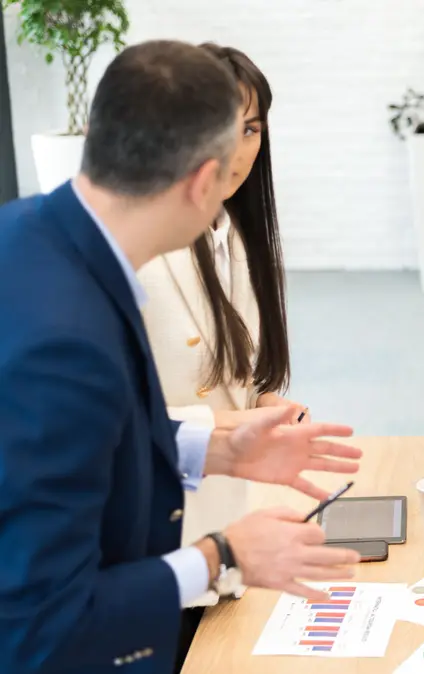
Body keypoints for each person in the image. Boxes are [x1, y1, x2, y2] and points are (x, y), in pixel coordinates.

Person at [0, 40, 363, 674]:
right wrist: (224, 554)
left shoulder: (27, 231)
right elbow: (44, 624)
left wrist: (214, 447)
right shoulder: (66, 345)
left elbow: (90, 438)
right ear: (205, 182)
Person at [138, 43, 301, 607]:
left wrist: (264, 405)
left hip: (228, 526)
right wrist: (230, 429)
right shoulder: (139, 249)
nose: (237, 149)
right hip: (159, 539)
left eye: (252, 129)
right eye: (219, 127)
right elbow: (115, 426)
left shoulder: (236, 233)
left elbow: (237, 375)